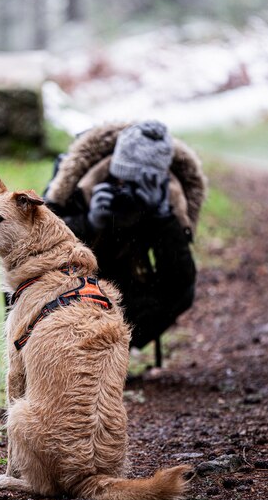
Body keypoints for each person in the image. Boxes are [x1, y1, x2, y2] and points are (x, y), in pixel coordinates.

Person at [43, 120, 208, 367]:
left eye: (136, 186)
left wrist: (162, 218)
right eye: (120, 182)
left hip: (127, 282)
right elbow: (40, 244)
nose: (126, 192)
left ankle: (112, 351)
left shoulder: (170, 196)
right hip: (74, 280)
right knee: (22, 270)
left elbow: (178, 280)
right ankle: (47, 356)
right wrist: (87, 221)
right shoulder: (77, 180)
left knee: (183, 292)